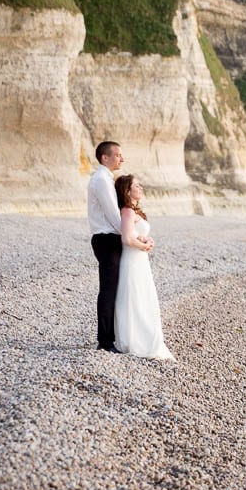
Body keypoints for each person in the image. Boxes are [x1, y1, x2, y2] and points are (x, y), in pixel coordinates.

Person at [113, 174, 174, 361]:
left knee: (144, 297)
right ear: (127, 190)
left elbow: (135, 235)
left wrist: (148, 240)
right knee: (134, 297)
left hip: (140, 261)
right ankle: (133, 340)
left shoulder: (134, 212)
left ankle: (146, 336)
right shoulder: (127, 212)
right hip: (131, 261)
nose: (141, 188)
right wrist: (144, 246)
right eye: (136, 186)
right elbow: (126, 239)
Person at [88, 141, 135, 352]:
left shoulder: (106, 179)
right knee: (108, 290)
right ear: (104, 158)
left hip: (110, 239)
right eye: (117, 155)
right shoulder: (100, 180)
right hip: (106, 240)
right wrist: (132, 236)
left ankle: (110, 338)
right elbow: (113, 215)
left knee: (114, 288)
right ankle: (105, 341)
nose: (121, 159)